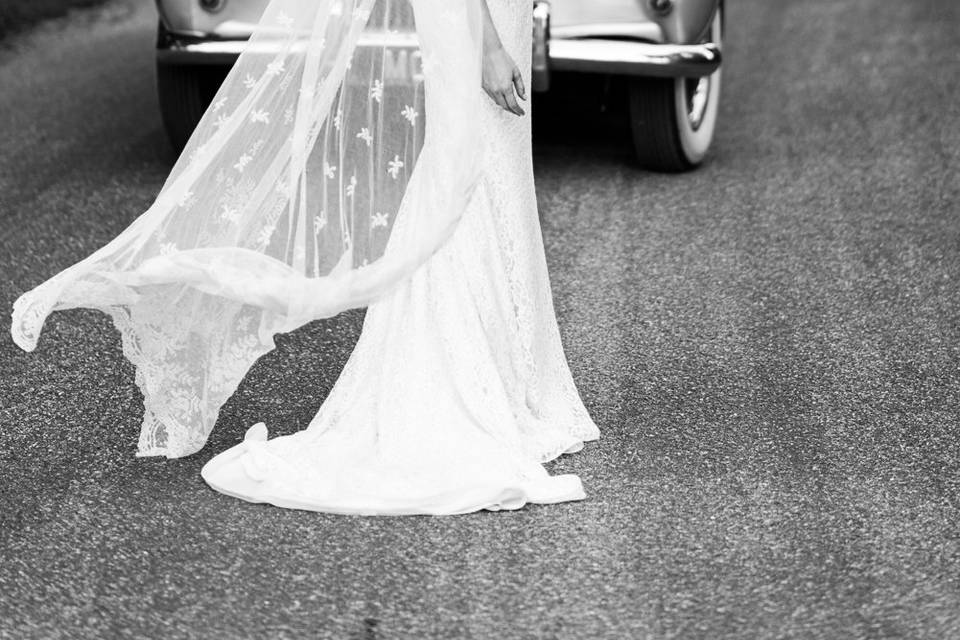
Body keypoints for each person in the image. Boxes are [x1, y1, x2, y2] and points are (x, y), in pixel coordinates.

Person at [10, 0, 599, 515]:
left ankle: (518, 376)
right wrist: (488, 45)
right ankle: (451, 380)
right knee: (464, 176)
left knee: (493, 172)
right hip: (474, 14)